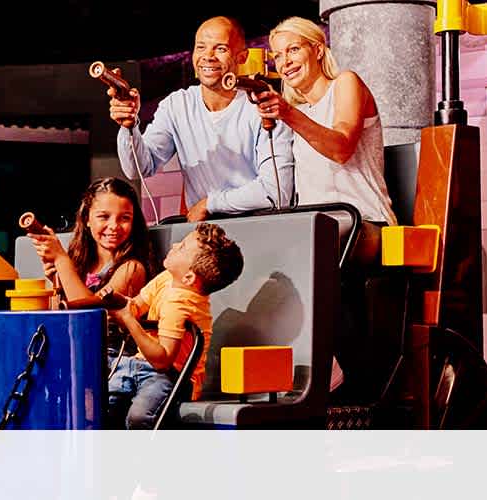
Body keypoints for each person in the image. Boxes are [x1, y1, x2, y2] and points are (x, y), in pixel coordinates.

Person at [109, 16, 295, 222]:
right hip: (204, 235)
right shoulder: (177, 105)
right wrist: (129, 126)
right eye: (201, 47)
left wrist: (210, 203)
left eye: (220, 49)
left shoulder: (265, 107)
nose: (208, 56)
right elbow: (138, 169)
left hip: (260, 226)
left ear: (241, 57)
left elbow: (277, 193)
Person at [254, 16, 397, 226]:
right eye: (278, 56)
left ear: (318, 50)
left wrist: (288, 113)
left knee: (307, 242)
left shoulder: (345, 83)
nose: (285, 62)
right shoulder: (297, 112)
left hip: (365, 220)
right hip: (314, 224)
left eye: (293, 49)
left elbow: (342, 150)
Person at [105, 223, 243, 429]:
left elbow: (162, 360)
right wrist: (115, 302)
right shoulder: (167, 278)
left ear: (189, 277)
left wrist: (129, 321)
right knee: (98, 406)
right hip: (136, 364)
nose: (175, 244)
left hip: (169, 376)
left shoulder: (182, 304)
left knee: (139, 417)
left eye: (182, 248)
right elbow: (135, 307)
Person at [28, 177, 153, 307]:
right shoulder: (81, 263)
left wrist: (61, 260)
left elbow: (90, 313)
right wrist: (58, 278)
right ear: (87, 218)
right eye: (104, 217)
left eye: (125, 218)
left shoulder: (132, 269)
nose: (114, 226)